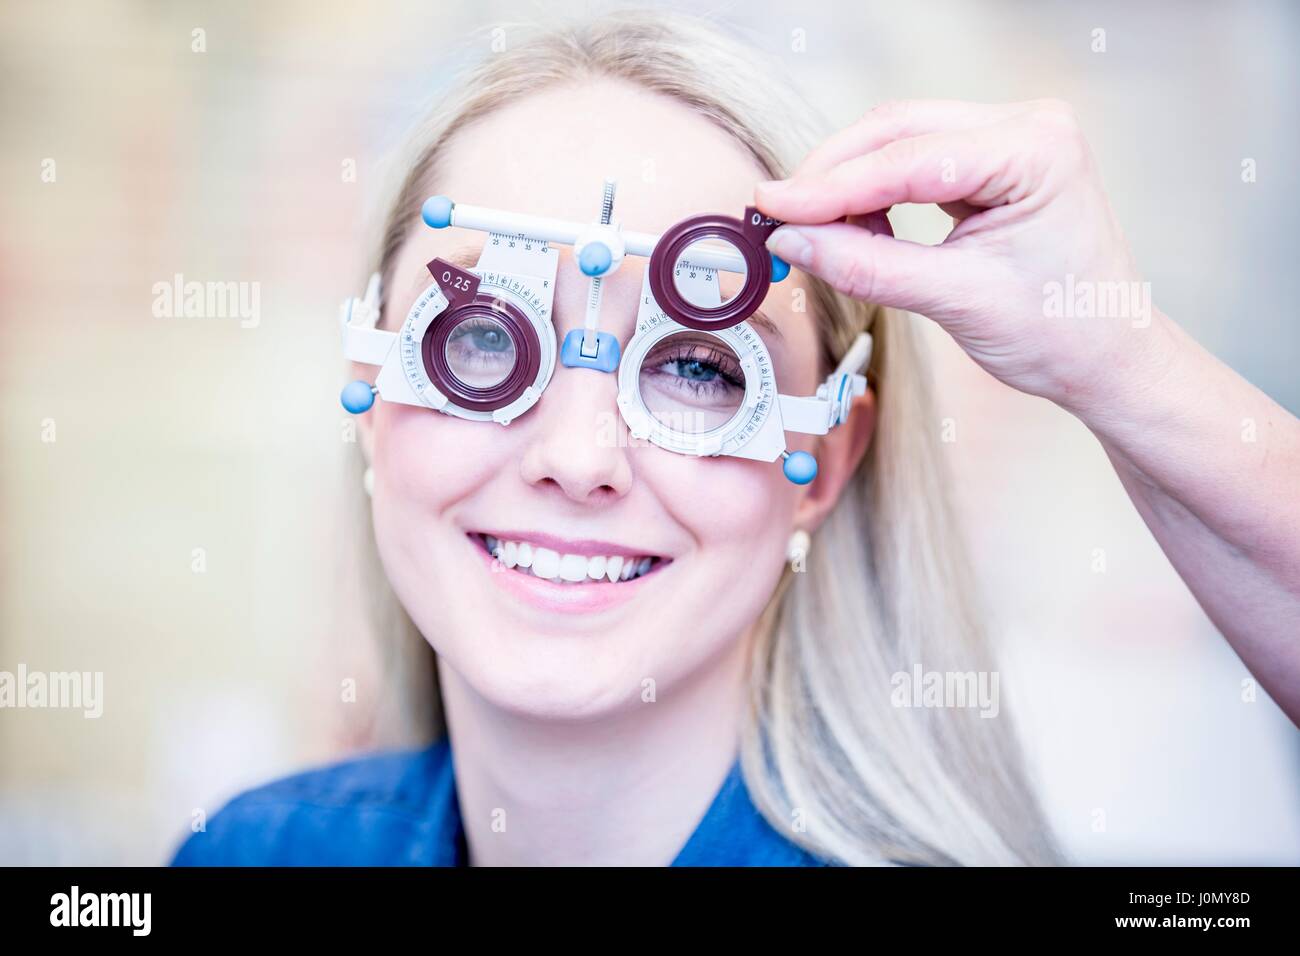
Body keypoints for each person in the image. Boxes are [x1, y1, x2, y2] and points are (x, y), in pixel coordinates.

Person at [171, 10, 1298, 868]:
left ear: (829, 463)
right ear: (368, 369)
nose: (578, 453)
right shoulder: (253, 853)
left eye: (700, 366)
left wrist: (1120, 355)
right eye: (478, 338)